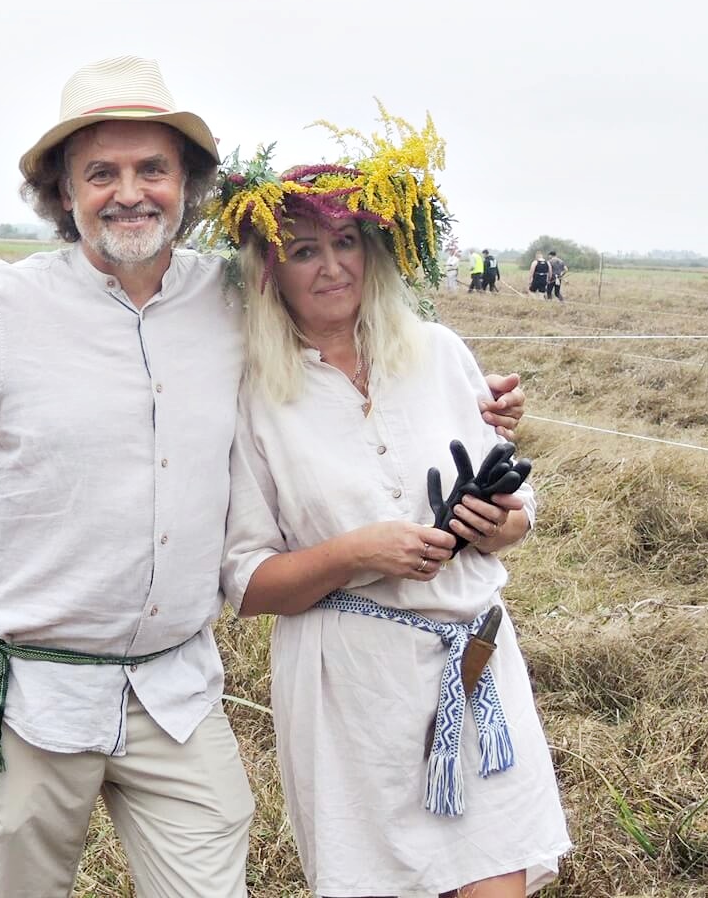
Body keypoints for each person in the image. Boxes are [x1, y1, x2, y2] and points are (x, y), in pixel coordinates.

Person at [0, 56, 528, 897]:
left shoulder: (232, 298)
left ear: (186, 183)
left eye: (153, 167)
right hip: (35, 697)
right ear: (64, 193)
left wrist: (467, 403)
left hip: (174, 693)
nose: (129, 191)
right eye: (99, 171)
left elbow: (345, 333)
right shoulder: (2, 310)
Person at [211, 155, 570, 897]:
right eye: (304, 250)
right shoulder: (253, 394)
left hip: (473, 663)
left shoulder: (437, 354)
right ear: (270, 271)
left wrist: (503, 525)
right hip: (351, 687)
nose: (332, 266)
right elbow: (247, 584)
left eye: (347, 243)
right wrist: (354, 553)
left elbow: (515, 499)